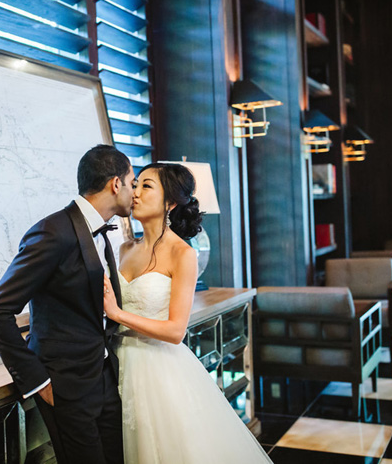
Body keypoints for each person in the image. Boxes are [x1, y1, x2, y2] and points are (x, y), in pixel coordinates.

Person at [103, 162, 273, 464]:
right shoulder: (125, 249)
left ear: (170, 202)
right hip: (120, 363)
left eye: (146, 186)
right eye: (136, 184)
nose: (136, 192)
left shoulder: (183, 254)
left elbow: (175, 331)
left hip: (157, 369)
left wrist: (117, 314)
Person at [0, 145, 134, 464]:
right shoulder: (52, 232)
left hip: (102, 377)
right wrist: (37, 380)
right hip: (65, 386)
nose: (134, 192)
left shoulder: (99, 233)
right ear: (115, 184)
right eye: (132, 183)